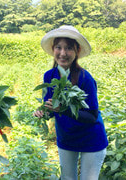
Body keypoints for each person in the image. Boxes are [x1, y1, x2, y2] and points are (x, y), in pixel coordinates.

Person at [33, 25, 108, 180]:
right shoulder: (49, 77)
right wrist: (43, 112)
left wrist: (63, 109)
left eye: (68, 48)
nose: (63, 53)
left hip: (91, 139)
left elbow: (92, 116)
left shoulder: (85, 78)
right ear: (53, 49)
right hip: (66, 138)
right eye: (58, 48)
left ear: (77, 51)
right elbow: (49, 107)